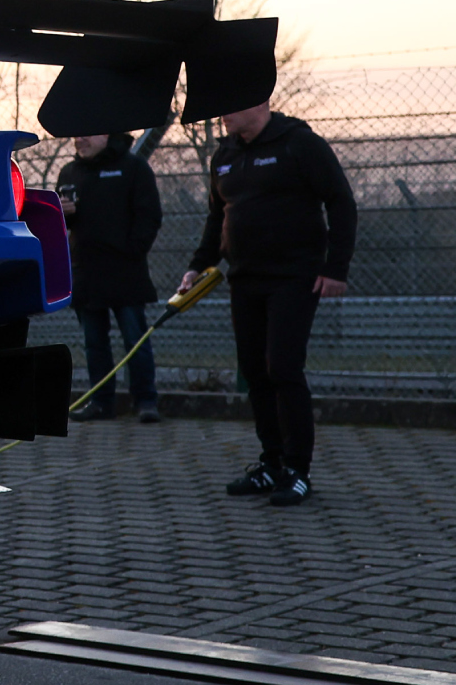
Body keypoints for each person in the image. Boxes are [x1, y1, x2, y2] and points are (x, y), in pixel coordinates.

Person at [176, 101, 357, 507]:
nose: (220, 112)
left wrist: (336, 268)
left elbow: (341, 202)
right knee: (255, 371)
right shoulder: (224, 155)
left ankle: (297, 469)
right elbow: (217, 218)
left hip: (295, 278)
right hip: (245, 279)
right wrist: (198, 266)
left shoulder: (300, 144)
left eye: (229, 104)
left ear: (258, 102)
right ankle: (272, 463)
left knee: (283, 366)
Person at [58, 132, 164, 423]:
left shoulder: (134, 168)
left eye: (87, 134)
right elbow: (62, 223)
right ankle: (101, 403)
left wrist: (132, 250)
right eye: (76, 135)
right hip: (86, 273)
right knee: (94, 342)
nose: (79, 140)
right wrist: (63, 214)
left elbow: (150, 215)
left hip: (125, 273)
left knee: (135, 339)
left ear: (107, 134)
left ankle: (145, 401)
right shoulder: (70, 172)